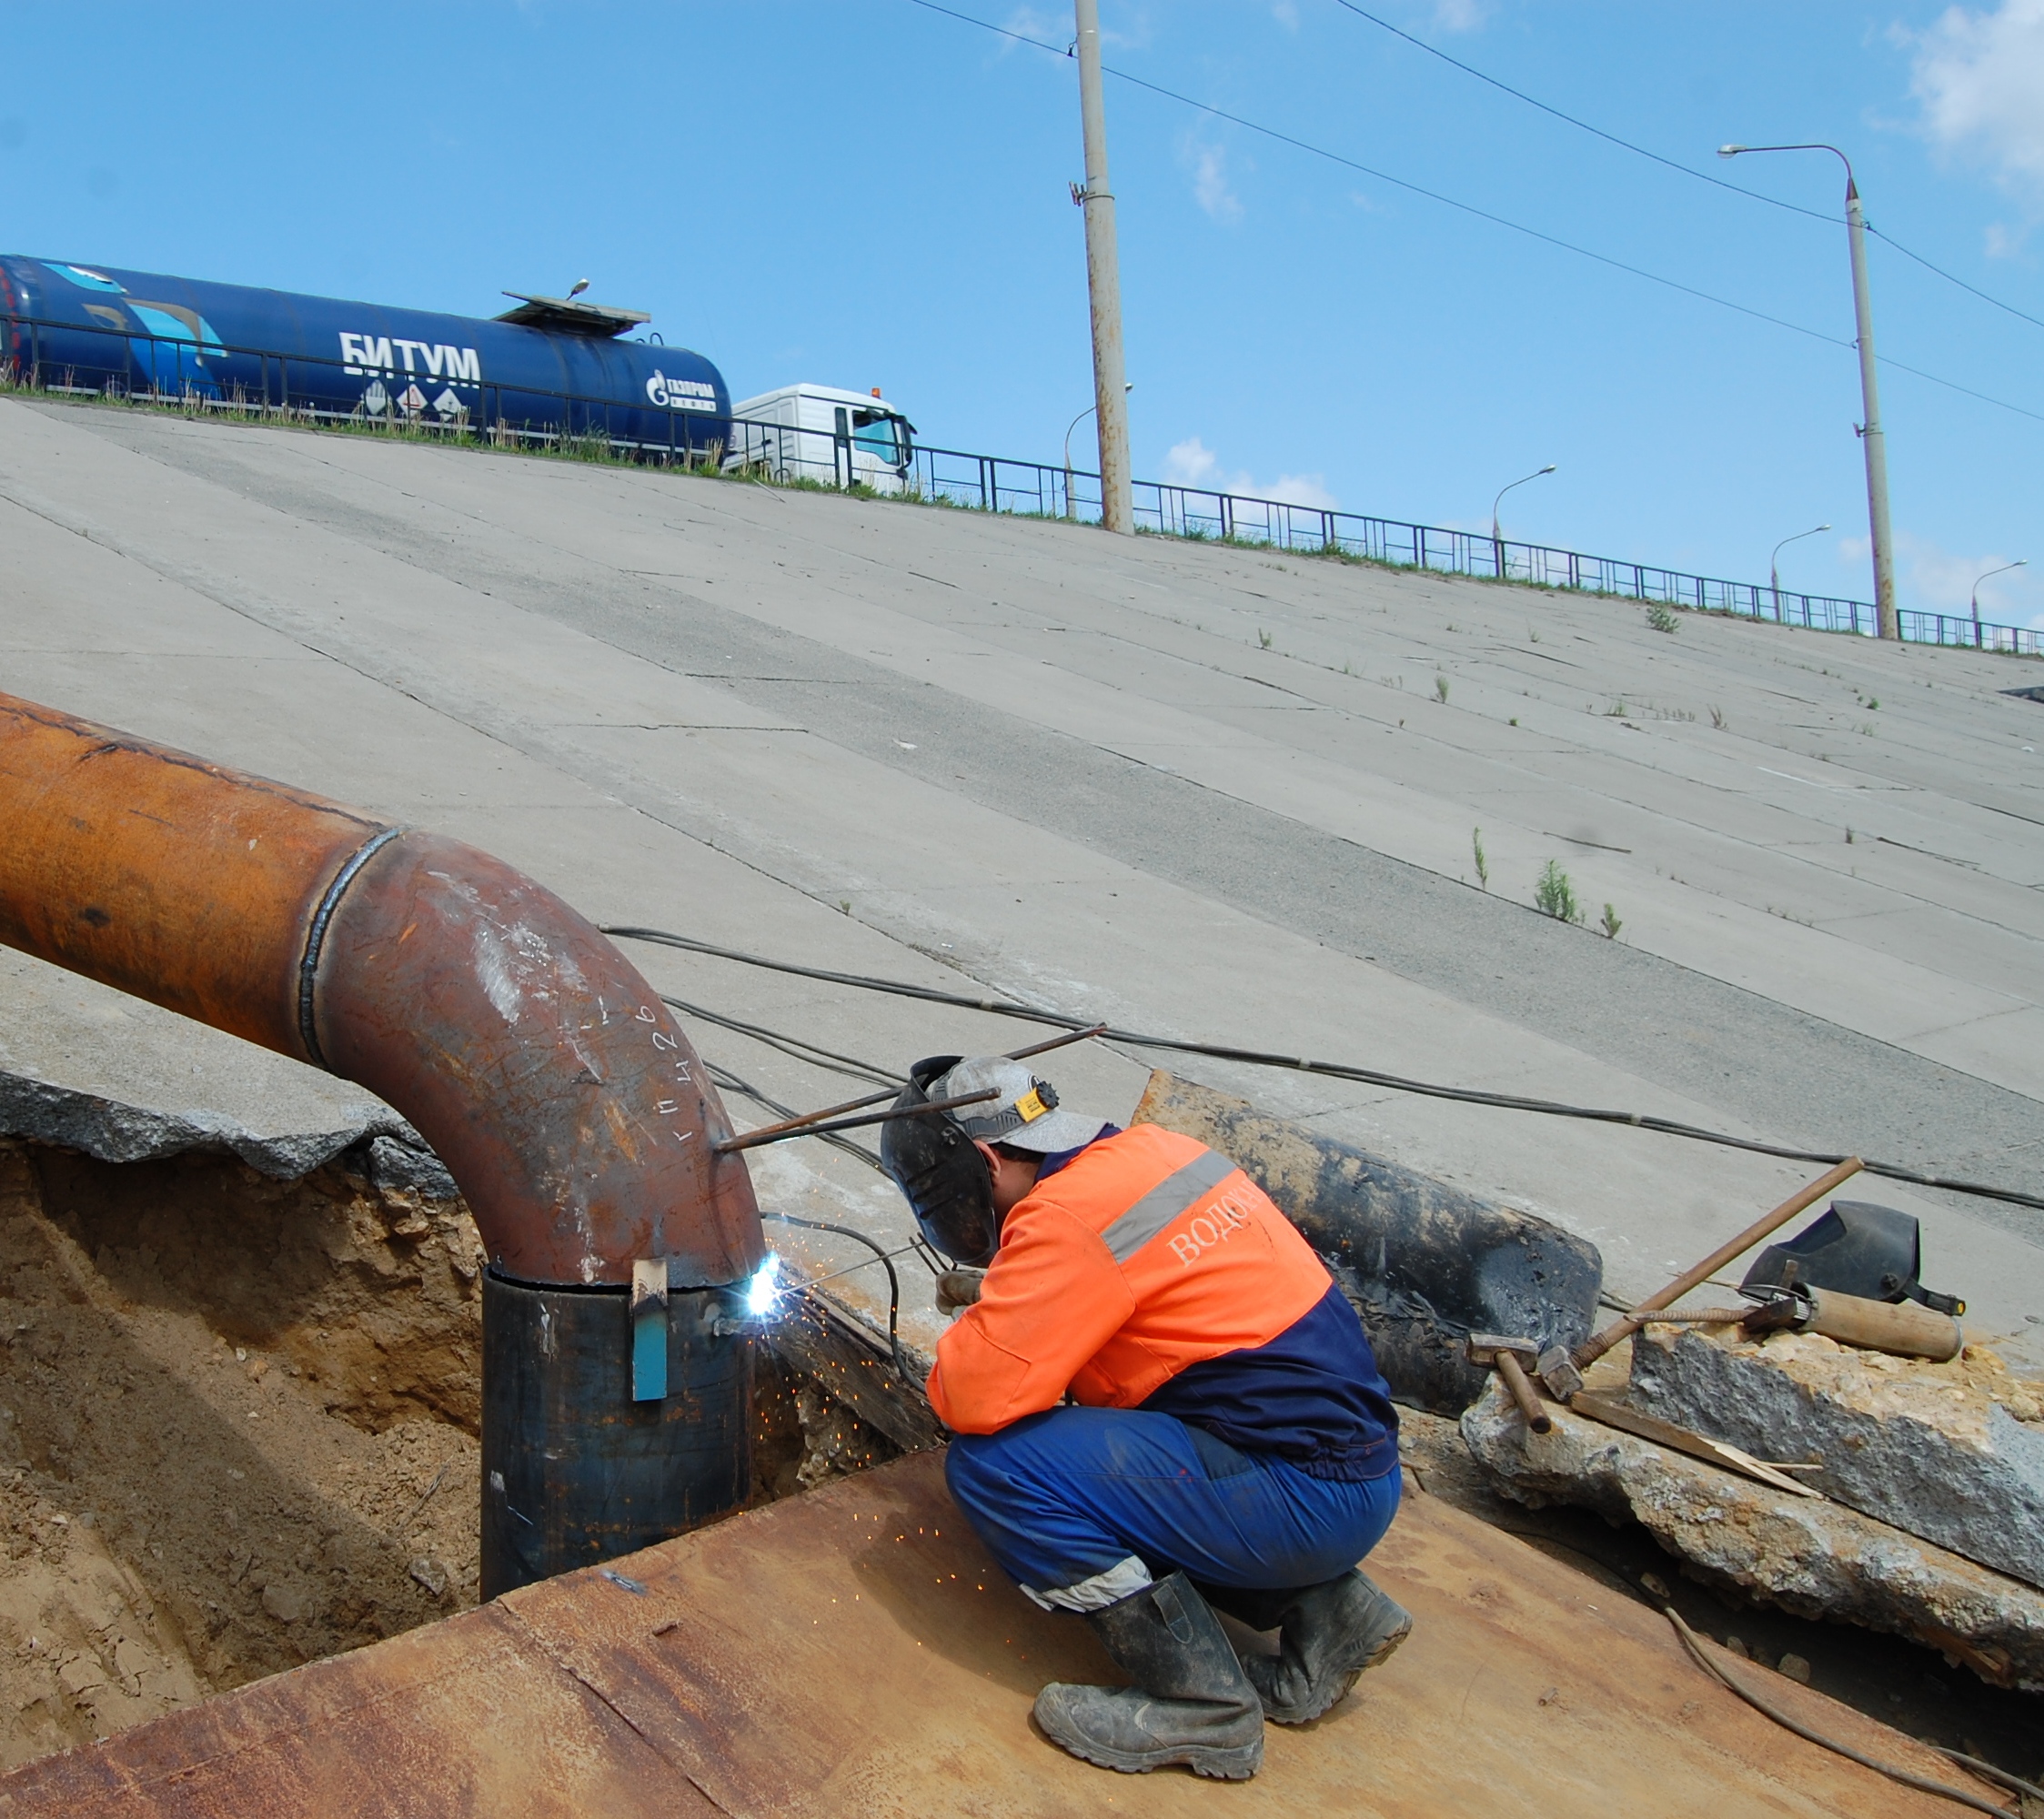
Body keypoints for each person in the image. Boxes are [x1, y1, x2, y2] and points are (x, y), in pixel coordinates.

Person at [880, 1054, 1408, 1782]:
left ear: (983, 1160)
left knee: (998, 1466)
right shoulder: (1154, 1152)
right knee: (1128, 1431)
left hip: (1302, 1500)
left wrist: (1002, 1314)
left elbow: (974, 1397)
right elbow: (1149, 1296)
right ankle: (1334, 1616)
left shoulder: (1065, 1217)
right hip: (1360, 1473)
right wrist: (1022, 1292)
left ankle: (1201, 1707)